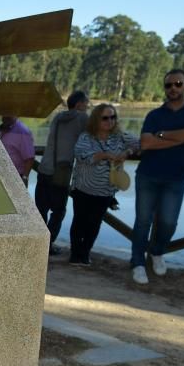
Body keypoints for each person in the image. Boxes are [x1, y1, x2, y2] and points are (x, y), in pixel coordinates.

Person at [130, 69, 184, 285]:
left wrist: (162, 135)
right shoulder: (154, 115)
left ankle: (157, 251)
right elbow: (145, 143)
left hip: (176, 178)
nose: (173, 88)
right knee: (142, 222)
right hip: (147, 174)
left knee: (168, 222)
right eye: (168, 85)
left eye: (178, 84)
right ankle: (137, 262)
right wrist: (183, 137)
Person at [67, 104, 139, 266]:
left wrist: (127, 153)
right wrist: (103, 155)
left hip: (105, 191)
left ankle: (85, 254)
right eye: (105, 118)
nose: (109, 121)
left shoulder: (120, 136)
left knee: (94, 223)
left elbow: (139, 144)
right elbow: (80, 155)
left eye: (113, 117)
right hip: (83, 188)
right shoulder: (86, 137)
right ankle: (75, 254)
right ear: (96, 119)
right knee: (79, 222)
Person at [36, 91, 89, 255]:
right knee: (59, 211)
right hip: (61, 171)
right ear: (79, 104)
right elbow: (94, 135)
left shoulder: (58, 117)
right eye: (86, 104)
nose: (87, 107)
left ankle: (39, 243)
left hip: (44, 167)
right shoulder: (82, 118)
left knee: (41, 209)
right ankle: (47, 244)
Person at [0, 115, 35, 185]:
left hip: (16, 176)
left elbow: (29, 158)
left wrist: (25, 178)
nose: (5, 115)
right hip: (1, 175)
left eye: (9, 114)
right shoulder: (1, 129)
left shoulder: (23, 131)